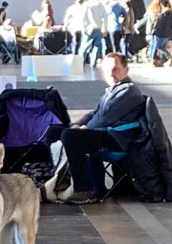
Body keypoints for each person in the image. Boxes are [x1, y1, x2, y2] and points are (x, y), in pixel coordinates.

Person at [57, 51, 144, 205]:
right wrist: (77, 124)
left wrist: (84, 129)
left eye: (115, 69)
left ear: (126, 69)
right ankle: (55, 181)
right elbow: (95, 113)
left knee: (70, 136)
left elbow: (103, 118)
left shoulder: (128, 91)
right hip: (106, 133)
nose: (111, 74)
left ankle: (84, 189)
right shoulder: (114, 90)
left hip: (118, 138)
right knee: (55, 131)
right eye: (107, 70)